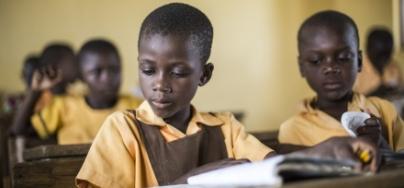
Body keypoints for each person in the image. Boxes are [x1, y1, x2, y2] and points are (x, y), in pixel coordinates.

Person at [76, 4, 380, 188]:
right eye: (148, 69)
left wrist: (325, 151)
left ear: (204, 75)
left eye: (178, 72)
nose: (160, 84)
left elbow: (273, 167)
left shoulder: (225, 128)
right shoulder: (122, 129)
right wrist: (193, 181)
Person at [278, 10, 404, 152]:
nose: (330, 68)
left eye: (343, 57)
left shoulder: (385, 111)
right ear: (301, 67)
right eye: (316, 60)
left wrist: (382, 143)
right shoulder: (292, 130)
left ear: (359, 61)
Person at [12, 39, 141, 144]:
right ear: (81, 76)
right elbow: (18, 131)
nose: (107, 78)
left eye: (114, 69)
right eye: (97, 72)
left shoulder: (137, 109)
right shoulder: (63, 107)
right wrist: (34, 91)